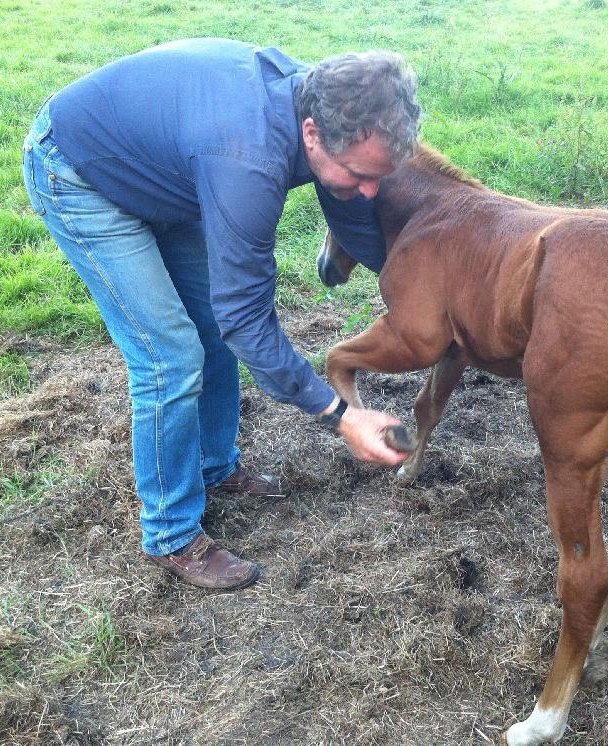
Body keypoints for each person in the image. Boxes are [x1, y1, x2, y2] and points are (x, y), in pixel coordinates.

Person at [21, 38, 422, 591]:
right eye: (360, 173)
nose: (370, 190)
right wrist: (340, 415)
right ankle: (170, 533)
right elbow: (245, 315)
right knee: (169, 358)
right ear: (312, 136)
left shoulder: (336, 107)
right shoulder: (247, 160)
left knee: (209, 328)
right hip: (80, 172)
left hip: (170, 169)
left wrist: (414, 289)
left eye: (379, 175)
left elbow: (353, 213)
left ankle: (215, 465)